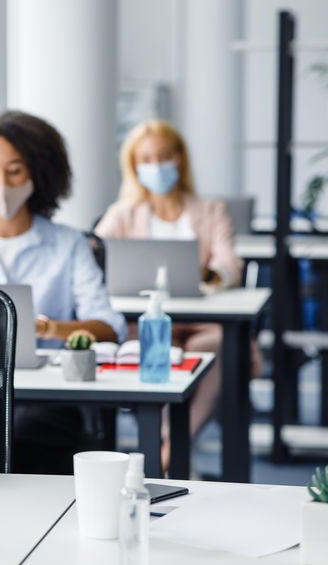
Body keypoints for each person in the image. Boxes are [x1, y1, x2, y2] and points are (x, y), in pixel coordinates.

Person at [0, 110, 127, 474]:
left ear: (38, 171)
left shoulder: (69, 244)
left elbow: (110, 327)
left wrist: (51, 330)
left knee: (29, 434)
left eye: (14, 171)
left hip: (47, 398)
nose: (2, 184)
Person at [94, 118, 248, 470]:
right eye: (146, 159)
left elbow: (231, 265)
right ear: (134, 167)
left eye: (164, 156)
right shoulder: (122, 214)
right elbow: (94, 259)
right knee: (154, 350)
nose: (156, 166)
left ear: (180, 158)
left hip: (206, 323)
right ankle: (170, 449)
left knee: (214, 348)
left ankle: (168, 448)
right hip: (144, 322)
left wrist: (206, 273)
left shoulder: (211, 211)